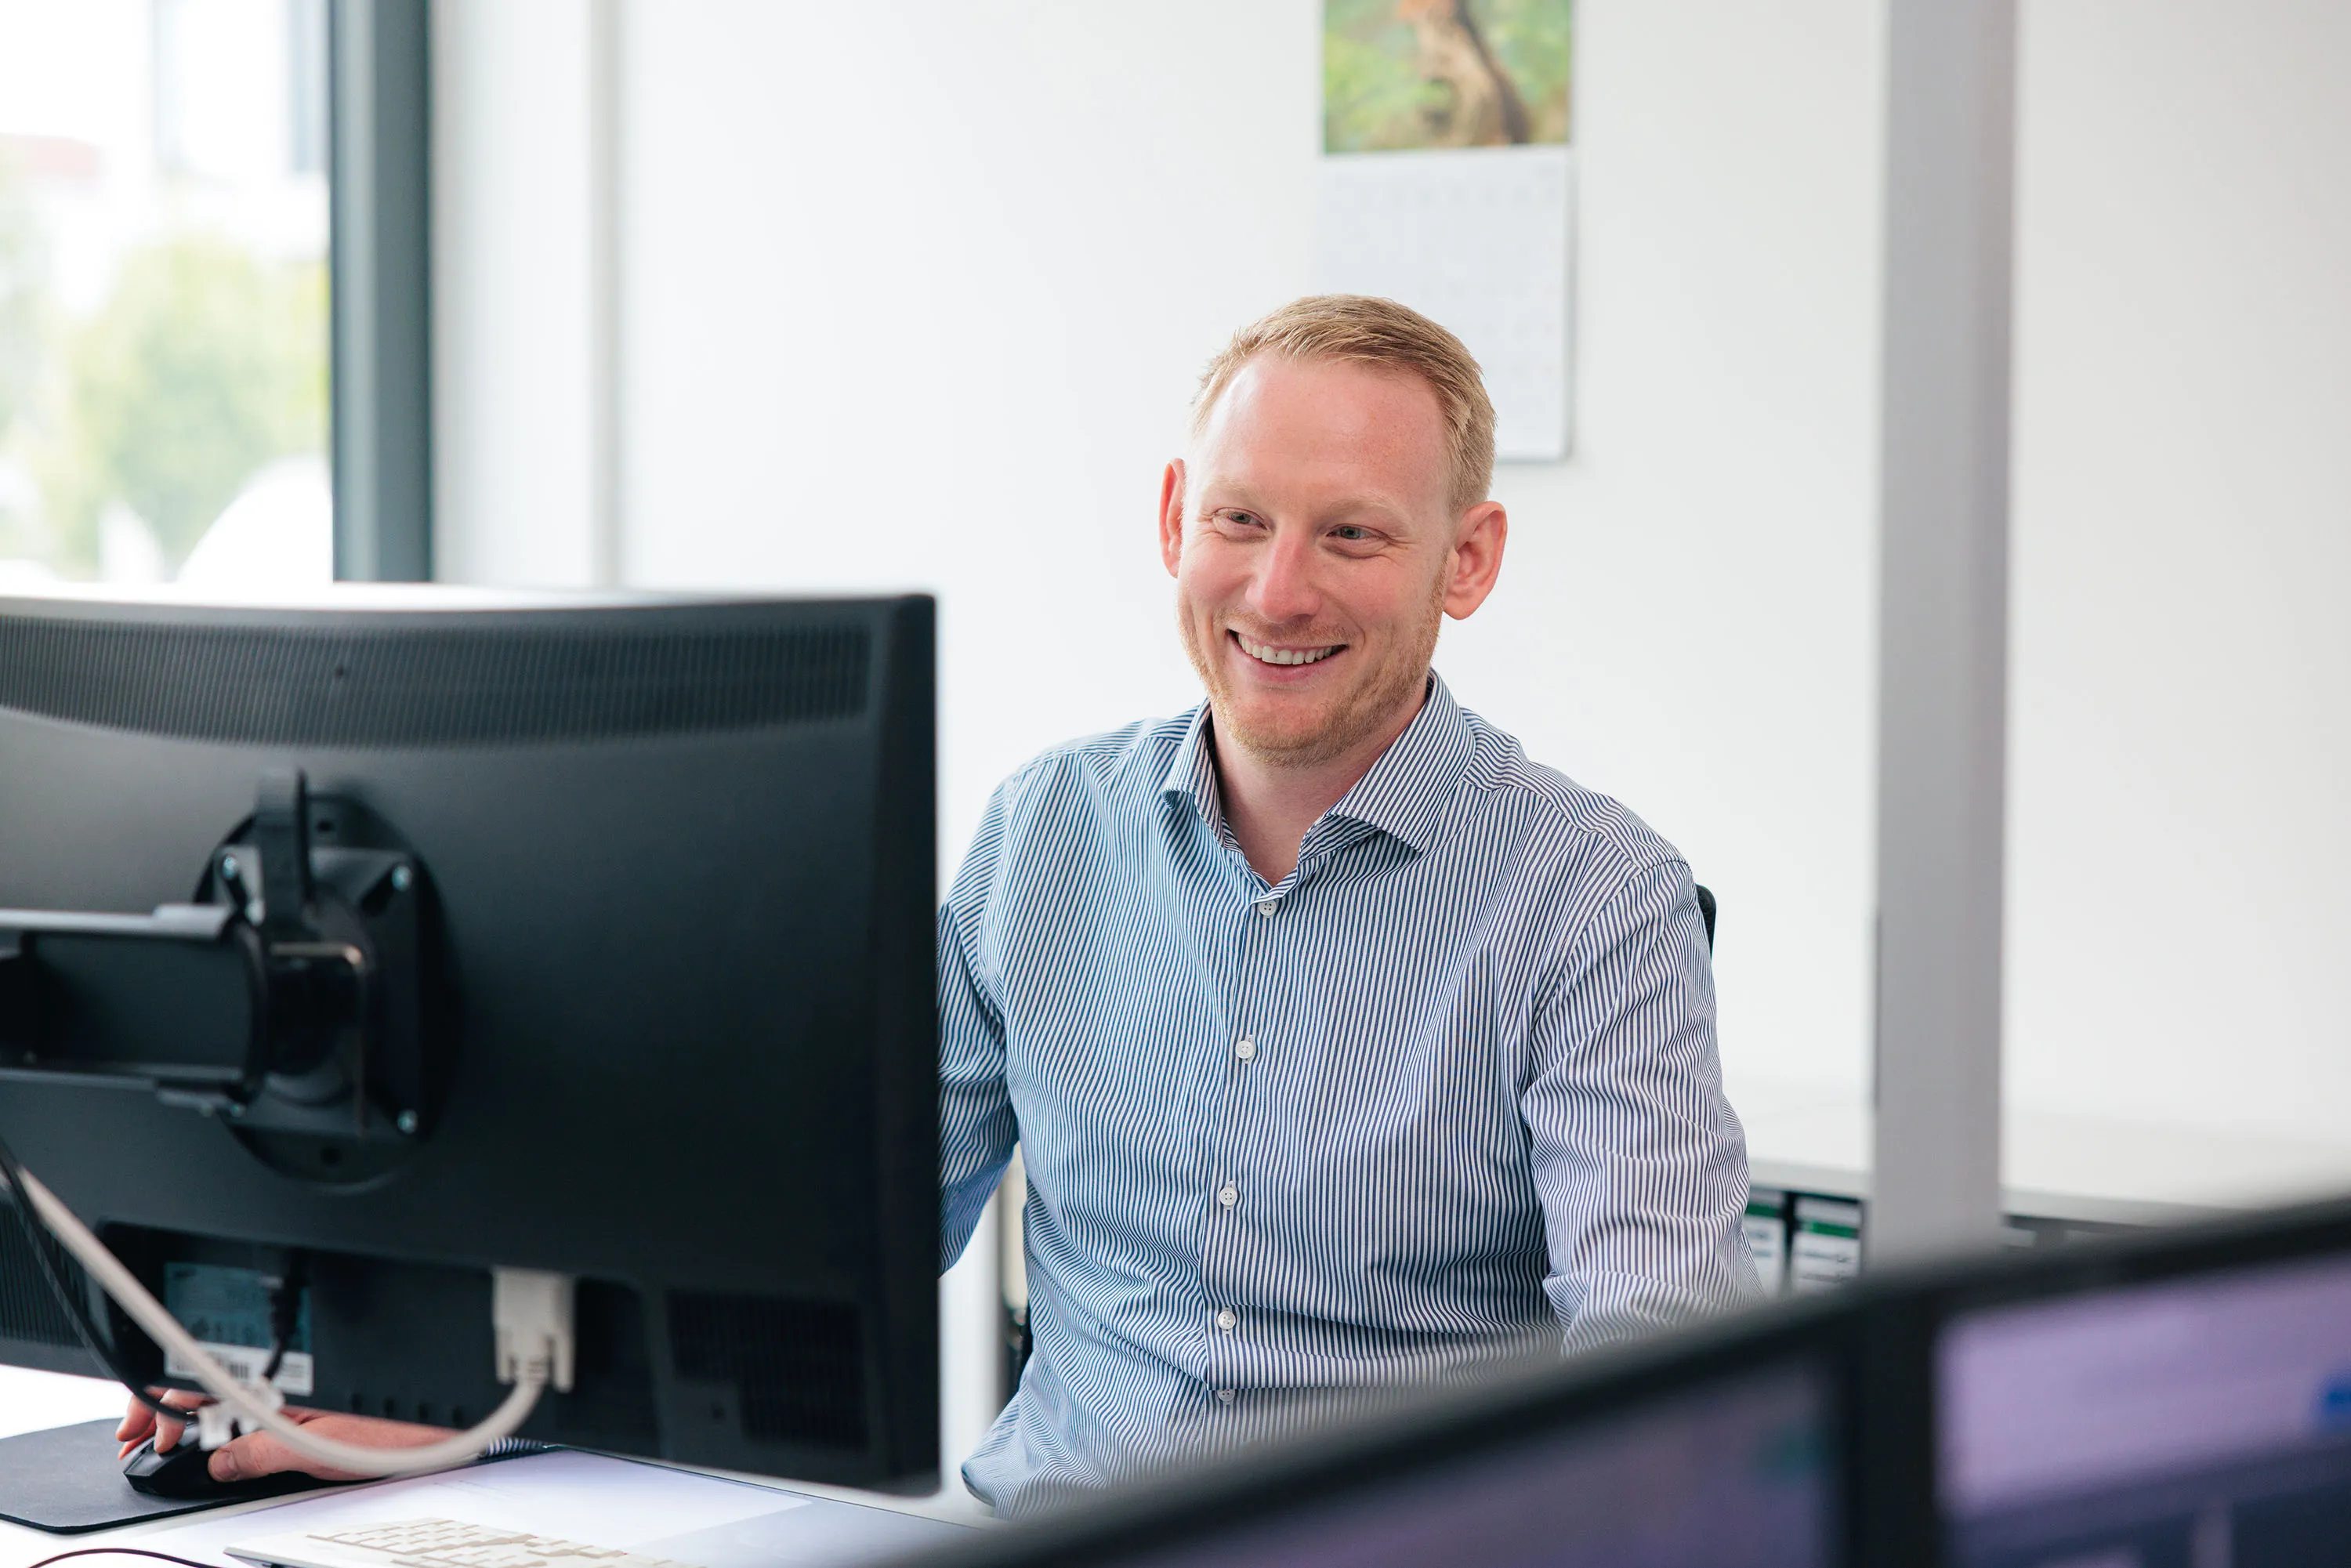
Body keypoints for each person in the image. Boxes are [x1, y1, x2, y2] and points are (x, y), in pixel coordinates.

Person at [119, 295, 1758, 1511]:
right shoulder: (1047, 832)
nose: (1279, 588)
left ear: (1466, 561)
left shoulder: (1590, 901)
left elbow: (1666, 1378)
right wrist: (407, 1407)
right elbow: (826, 1229)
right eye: (1244, 521)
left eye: (1354, 536)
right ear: (1177, 516)